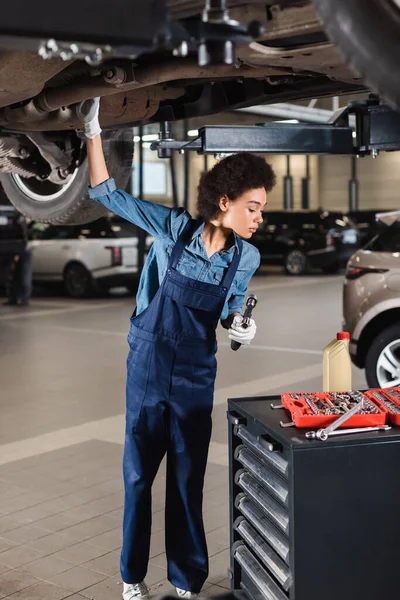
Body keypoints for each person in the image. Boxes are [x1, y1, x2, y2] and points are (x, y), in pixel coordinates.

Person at [76, 98, 276, 600]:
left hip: (193, 373)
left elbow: (233, 311)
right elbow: (106, 193)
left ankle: (187, 581)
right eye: (253, 207)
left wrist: (241, 326)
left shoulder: (246, 257)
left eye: (262, 210)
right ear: (224, 200)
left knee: (187, 481)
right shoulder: (172, 229)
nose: (258, 219)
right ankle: (131, 579)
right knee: (139, 475)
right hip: (146, 364)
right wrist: (93, 133)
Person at [4, 214, 32, 307]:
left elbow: (23, 240)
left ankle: (24, 299)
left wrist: (17, 254)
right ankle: (14, 298)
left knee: (24, 276)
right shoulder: (17, 224)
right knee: (15, 276)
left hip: (22, 251)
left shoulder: (19, 224)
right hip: (16, 251)